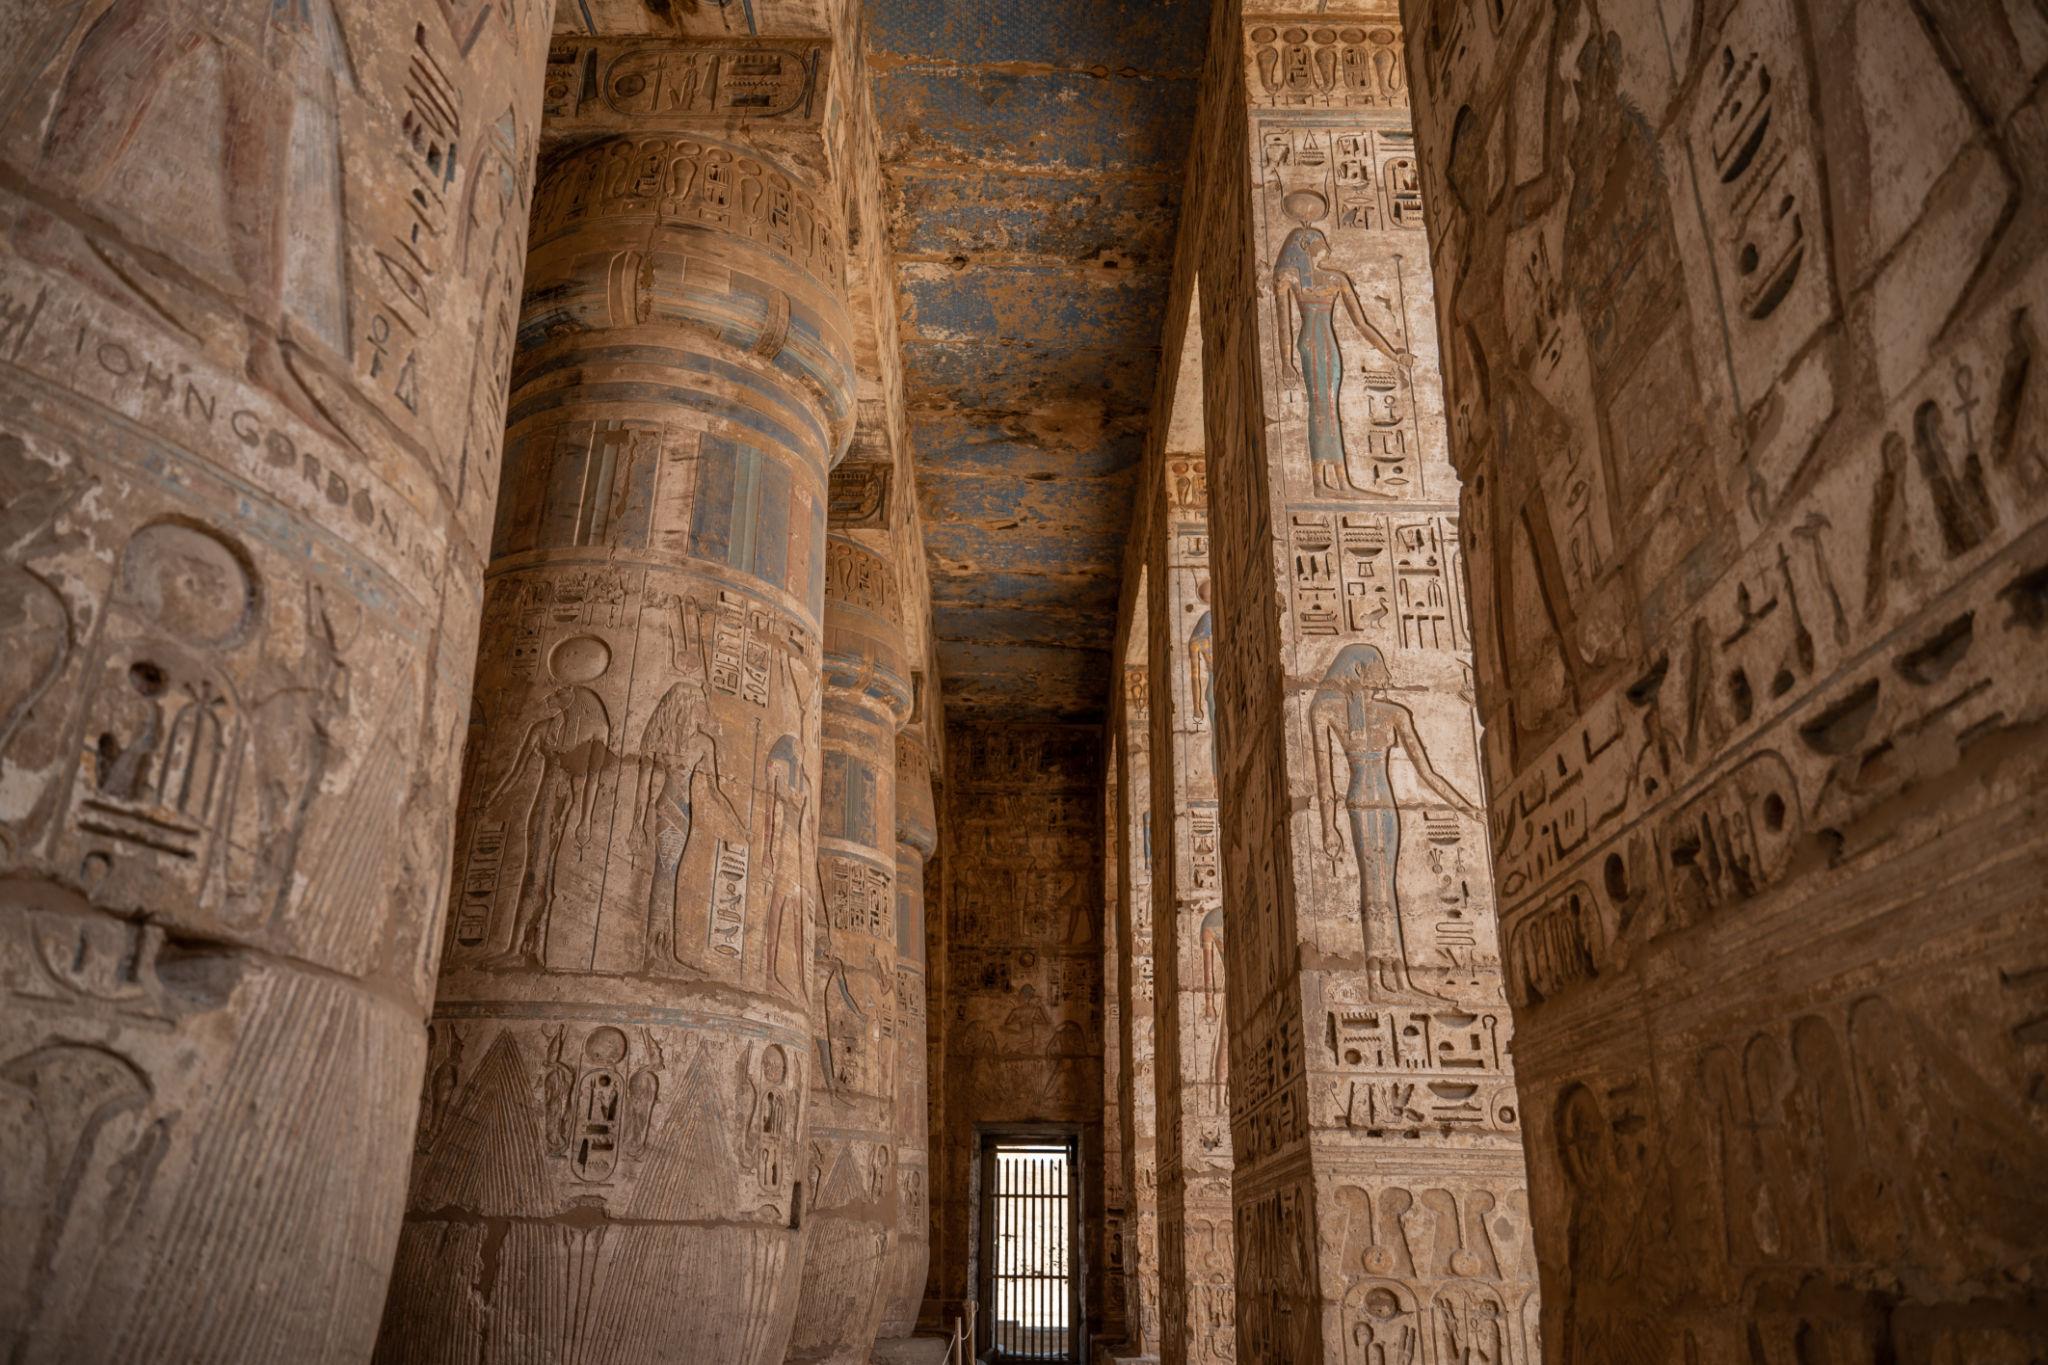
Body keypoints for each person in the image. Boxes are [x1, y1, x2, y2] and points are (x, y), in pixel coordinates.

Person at [1309, 644, 1480, 997]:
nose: (1383, 673)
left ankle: (1395, 979)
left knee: (1382, 885)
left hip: (1369, 803)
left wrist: (1468, 808)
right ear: (1358, 671)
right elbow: (1325, 783)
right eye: (1376, 666)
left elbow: (1426, 773)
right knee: (1377, 885)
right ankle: (1380, 979)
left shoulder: (1374, 712)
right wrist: (1328, 828)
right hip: (1374, 802)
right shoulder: (1346, 711)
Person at [1273, 200, 1413, 495]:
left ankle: (1338, 479)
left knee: (1329, 407)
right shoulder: (1293, 280)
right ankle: (1321, 482)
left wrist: (1394, 354)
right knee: (1320, 407)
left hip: (1326, 344)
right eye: (1320, 244)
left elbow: (1361, 325)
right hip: (1312, 343)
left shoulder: (1336, 279)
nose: (1327, 249)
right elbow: (1283, 322)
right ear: (1308, 247)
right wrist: (1286, 362)